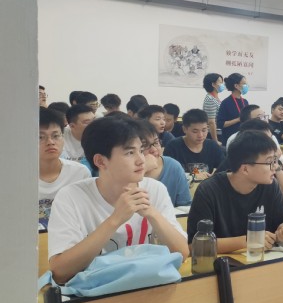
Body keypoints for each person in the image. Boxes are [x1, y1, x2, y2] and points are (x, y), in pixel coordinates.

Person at [47, 116, 189, 284]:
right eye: (130, 153)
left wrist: (152, 214)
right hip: (96, 293)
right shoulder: (71, 197)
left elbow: (182, 253)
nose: (141, 160)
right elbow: (60, 272)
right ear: (100, 161)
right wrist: (115, 219)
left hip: (149, 288)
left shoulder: (155, 189)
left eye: (141, 150)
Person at [186, 131, 283, 253]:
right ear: (245, 169)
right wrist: (248, 240)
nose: (274, 167)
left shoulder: (271, 186)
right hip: (224, 261)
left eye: (275, 160)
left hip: (264, 259)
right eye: (269, 162)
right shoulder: (209, 190)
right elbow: (195, 245)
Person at [38, 108, 91, 226]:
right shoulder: (15, 177)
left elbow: (85, 216)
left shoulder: (80, 173)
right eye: (40, 137)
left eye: (56, 136)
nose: (50, 142)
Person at [236, 118, 283, 200]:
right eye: (267, 139)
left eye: (271, 138)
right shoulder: (238, 163)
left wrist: (274, 163)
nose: (272, 143)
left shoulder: (271, 162)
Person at [138, 121, 191, 207]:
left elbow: (185, 205)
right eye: (145, 146)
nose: (154, 150)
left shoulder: (173, 166)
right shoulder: (127, 170)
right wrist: (143, 169)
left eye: (156, 143)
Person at [165, 109, 225, 177]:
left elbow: (223, 169)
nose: (200, 135)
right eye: (195, 131)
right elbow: (170, 173)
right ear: (184, 129)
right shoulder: (173, 147)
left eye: (204, 130)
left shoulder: (213, 146)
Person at [216, 72, 249, 144]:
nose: (246, 86)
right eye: (244, 83)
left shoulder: (245, 102)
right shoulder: (226, 103)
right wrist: (238, 119)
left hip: (244, 138)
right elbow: (220, 124)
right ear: (236, 86)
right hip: (230, 140)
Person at [202, 72, 224, 143]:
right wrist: (215, 140)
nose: (222, 84)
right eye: (220, 82)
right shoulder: (210, 99)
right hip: (214, 135)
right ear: (213, 84)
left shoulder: (215, 98)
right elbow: (211, 122)